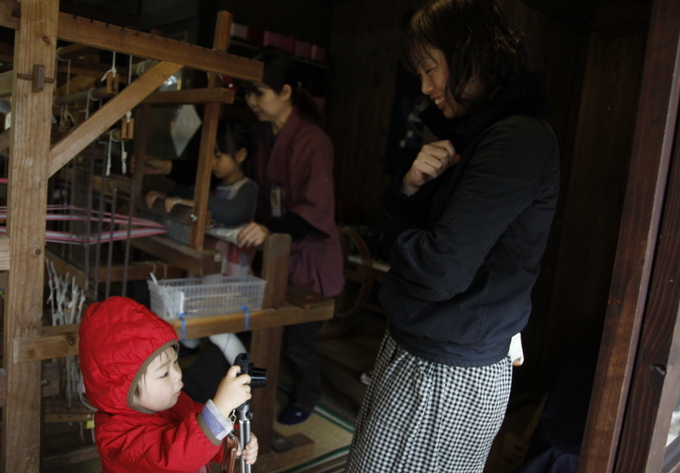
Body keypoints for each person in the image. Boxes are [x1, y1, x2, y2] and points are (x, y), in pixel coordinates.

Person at [345, 0, 560, 472]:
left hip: (445, 369)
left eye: (428, 69)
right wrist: (407, 187)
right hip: (434, 351)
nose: (423, 87)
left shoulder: (516, 139)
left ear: (470, 52)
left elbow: (439, 270)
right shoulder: (482, 134)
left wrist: (393, 238)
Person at [236, 47, 344, 425]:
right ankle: (255, 397)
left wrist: (268, 228)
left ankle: (306, 396)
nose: (252, 102)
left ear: (285, 92)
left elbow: (316, 211)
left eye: (259, 93)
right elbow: (231, 164)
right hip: (278, 252)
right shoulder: (261, 136)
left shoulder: (312, 141)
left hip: (312, 259)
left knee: (298, 344)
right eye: (247, 94)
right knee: (263, 336)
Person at [78, 296, 259, 472]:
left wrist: (234, 442)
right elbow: (179, 456)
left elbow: (200, 427)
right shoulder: (116, 436)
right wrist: (221, 407)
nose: (177, 375)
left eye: (175, 362)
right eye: (164, 373)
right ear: (126, 388)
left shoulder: (174, 402)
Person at [145, 118, 257, 367]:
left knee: (217, 329)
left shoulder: (247, 189)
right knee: (191, 315)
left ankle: (245, 373)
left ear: (240, 155)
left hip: (230, 277)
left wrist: (195, 202)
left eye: (218, 156)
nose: (212, 163)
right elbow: (189, 195)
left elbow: (232, 213)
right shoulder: (211, 188)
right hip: (207, 271)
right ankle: (188, 350)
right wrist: (165, 196)